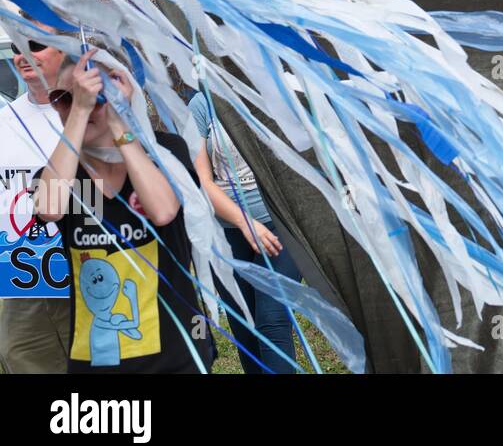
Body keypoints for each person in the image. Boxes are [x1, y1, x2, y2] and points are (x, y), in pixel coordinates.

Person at [36, 50, 214, 373]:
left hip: (176, 360)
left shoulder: (166, 152)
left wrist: (120, 120)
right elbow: (48, 208)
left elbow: (162, 212)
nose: (82, 105)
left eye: (95, 97)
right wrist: (78, 113)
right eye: (64, 98)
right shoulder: (63, 173)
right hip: (97, 365)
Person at [189, 91, 303, 374]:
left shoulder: (267, 89)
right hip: (227, 230)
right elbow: (203, 182)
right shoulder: (201, 104)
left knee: (271, 316)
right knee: (245, 324)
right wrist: (244, 223)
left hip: (281, 224)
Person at [0, 30, 71, 373]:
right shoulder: (4, 122)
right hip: (20, 281)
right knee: (23, 361)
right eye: (17, 46)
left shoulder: (93, 119)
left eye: (36, 45)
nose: (23, 54)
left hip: (87, 274)